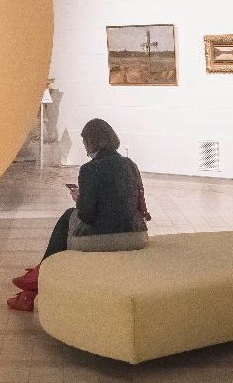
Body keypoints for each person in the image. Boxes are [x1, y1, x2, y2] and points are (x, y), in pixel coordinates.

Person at [8, 118, 150, 312]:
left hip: (107, 238)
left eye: (85, 143)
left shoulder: (89, 169)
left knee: (68, 217)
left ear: (92, 142)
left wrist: (79, 198)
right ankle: (38, 278)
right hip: (136, 235)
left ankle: (39, 279)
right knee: (70, 217)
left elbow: (88, 215)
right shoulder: (129, 164)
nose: (84, 149)